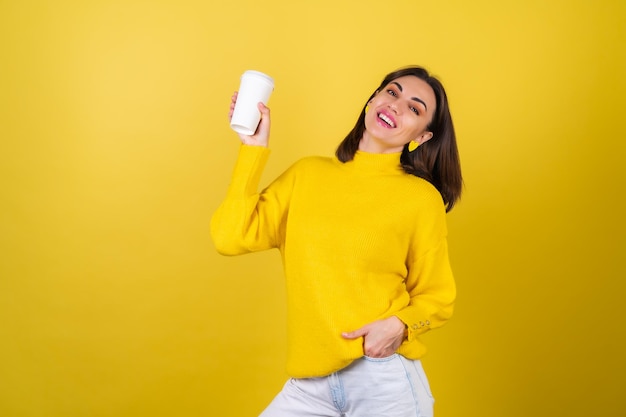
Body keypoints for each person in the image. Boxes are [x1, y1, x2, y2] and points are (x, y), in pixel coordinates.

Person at [211, 66, 463, 417]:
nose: (396, 105)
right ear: (373, 100)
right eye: (392, 92)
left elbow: (438, 296)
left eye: (415, 108)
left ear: (422, 137)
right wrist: (252, 150)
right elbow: (229, 237)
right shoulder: (307, 174)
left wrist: (400, 325)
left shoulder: (420, 199)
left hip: (382, 382)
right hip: (310, 384)